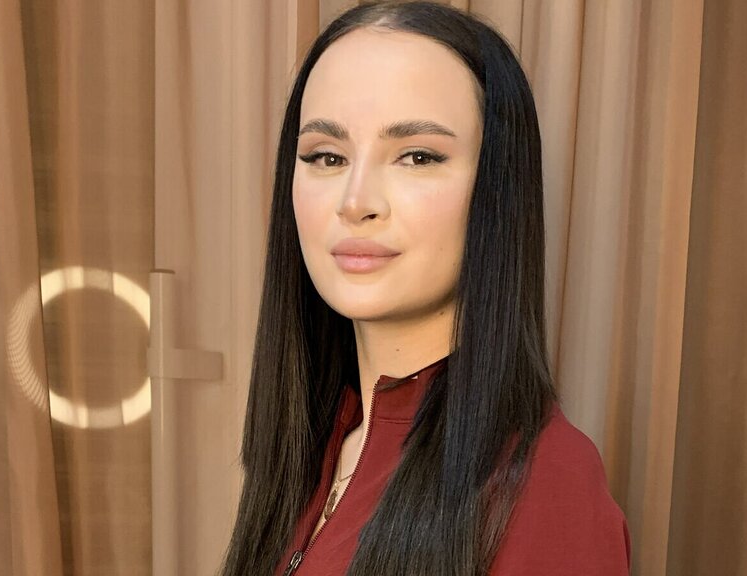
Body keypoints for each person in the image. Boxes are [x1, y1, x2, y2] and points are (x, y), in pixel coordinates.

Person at [219, 2, 631, 575]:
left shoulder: (543, 482)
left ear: (497, 189)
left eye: (417, 156)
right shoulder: (316, 447)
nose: (356, 202)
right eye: (327, 156)